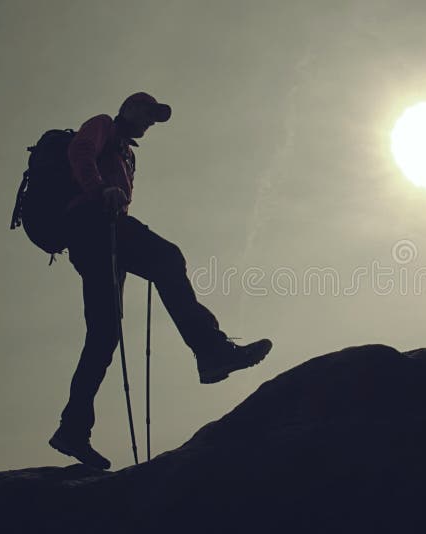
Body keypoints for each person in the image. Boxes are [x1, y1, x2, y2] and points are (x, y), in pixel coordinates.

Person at [48, 92, 272, 470]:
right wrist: (100, 189)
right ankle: (211, 352)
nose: (150, 121)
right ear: (129, 108)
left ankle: (72, 430)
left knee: (103, 335)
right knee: (167, 258)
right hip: (94, 223)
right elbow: (80, 151)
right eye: (147, 113)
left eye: (154, 117)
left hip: (95, 232)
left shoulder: (125, 152)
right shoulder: (103, 125)